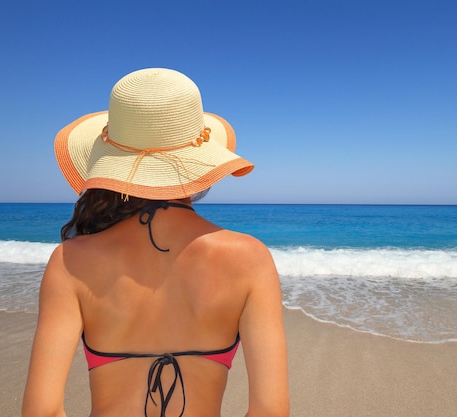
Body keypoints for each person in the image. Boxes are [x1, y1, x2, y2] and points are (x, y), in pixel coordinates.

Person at [22, 68, 289, 417]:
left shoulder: (70, 261)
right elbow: (270, 411)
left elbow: (41, 412)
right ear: (202, 157)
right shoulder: (250, 258)